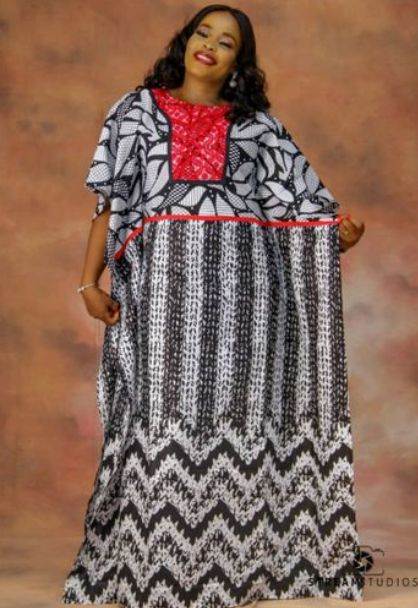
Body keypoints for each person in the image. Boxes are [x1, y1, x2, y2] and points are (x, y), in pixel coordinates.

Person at [61, 4, 366, 607]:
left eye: (227, 42)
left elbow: (302, 208)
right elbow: (111, 205)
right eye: (203, 32)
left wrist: (339, 237)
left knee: (236, 413)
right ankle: (157, 564)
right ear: (185, 40)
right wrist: (89, 283)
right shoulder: (134, 111)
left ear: (238, 62)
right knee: (162, 414)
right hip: (162, 292)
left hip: (247, 297)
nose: (210, 45)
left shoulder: (258, 128)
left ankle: (235, 565)